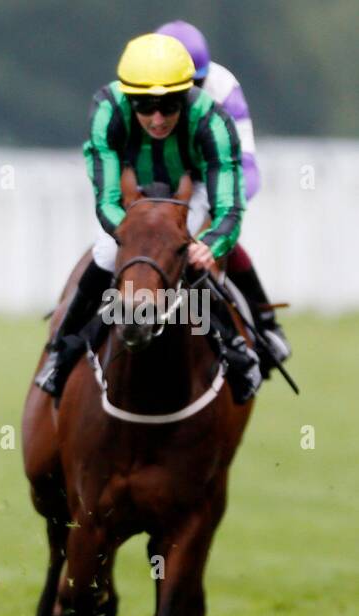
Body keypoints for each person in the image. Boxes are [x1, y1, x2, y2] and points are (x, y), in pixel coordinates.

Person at [34, 32, 261, 403]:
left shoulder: (212, 119)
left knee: (184, 256)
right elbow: (106, 198)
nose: (157, 119)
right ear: (127, 96)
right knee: (108, 253)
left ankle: (239, 349)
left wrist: (211, 244)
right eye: (143, 105)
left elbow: (230, 205)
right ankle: (62, 349)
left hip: (192, 186)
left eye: (170, 105)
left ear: (186, 95)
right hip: (133, 192)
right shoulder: (107, 109)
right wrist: (131, 231)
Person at [156, 19, 290, 365]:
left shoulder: (223, 86)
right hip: (155, 179)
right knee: (124, 247)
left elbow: (244, 164)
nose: (194, 92)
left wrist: (222, 216)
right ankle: (69, 338)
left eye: (197, 82)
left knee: (214, 247)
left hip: (209, 177)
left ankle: (265, 326)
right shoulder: (137, 85)